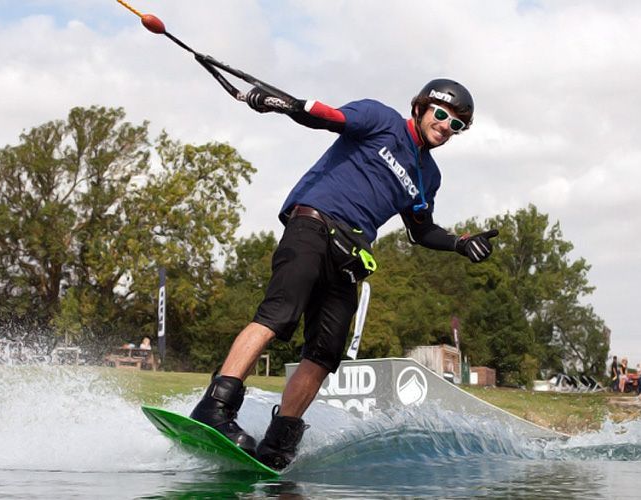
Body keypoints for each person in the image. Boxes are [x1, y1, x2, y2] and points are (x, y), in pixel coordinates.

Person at [189, 79, 499, 470]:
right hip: (313, 226)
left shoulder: (427, 176)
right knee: (277, 315)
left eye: (456, 125)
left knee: (324, 353)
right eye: (441, 114)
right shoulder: (380, 118)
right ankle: (214, 406)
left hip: (350, 257)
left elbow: (421, 230)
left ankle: (278, 444)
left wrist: (458, 243)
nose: (445, 126)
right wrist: (282, 103)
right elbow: (328, 117)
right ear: (420, 108)